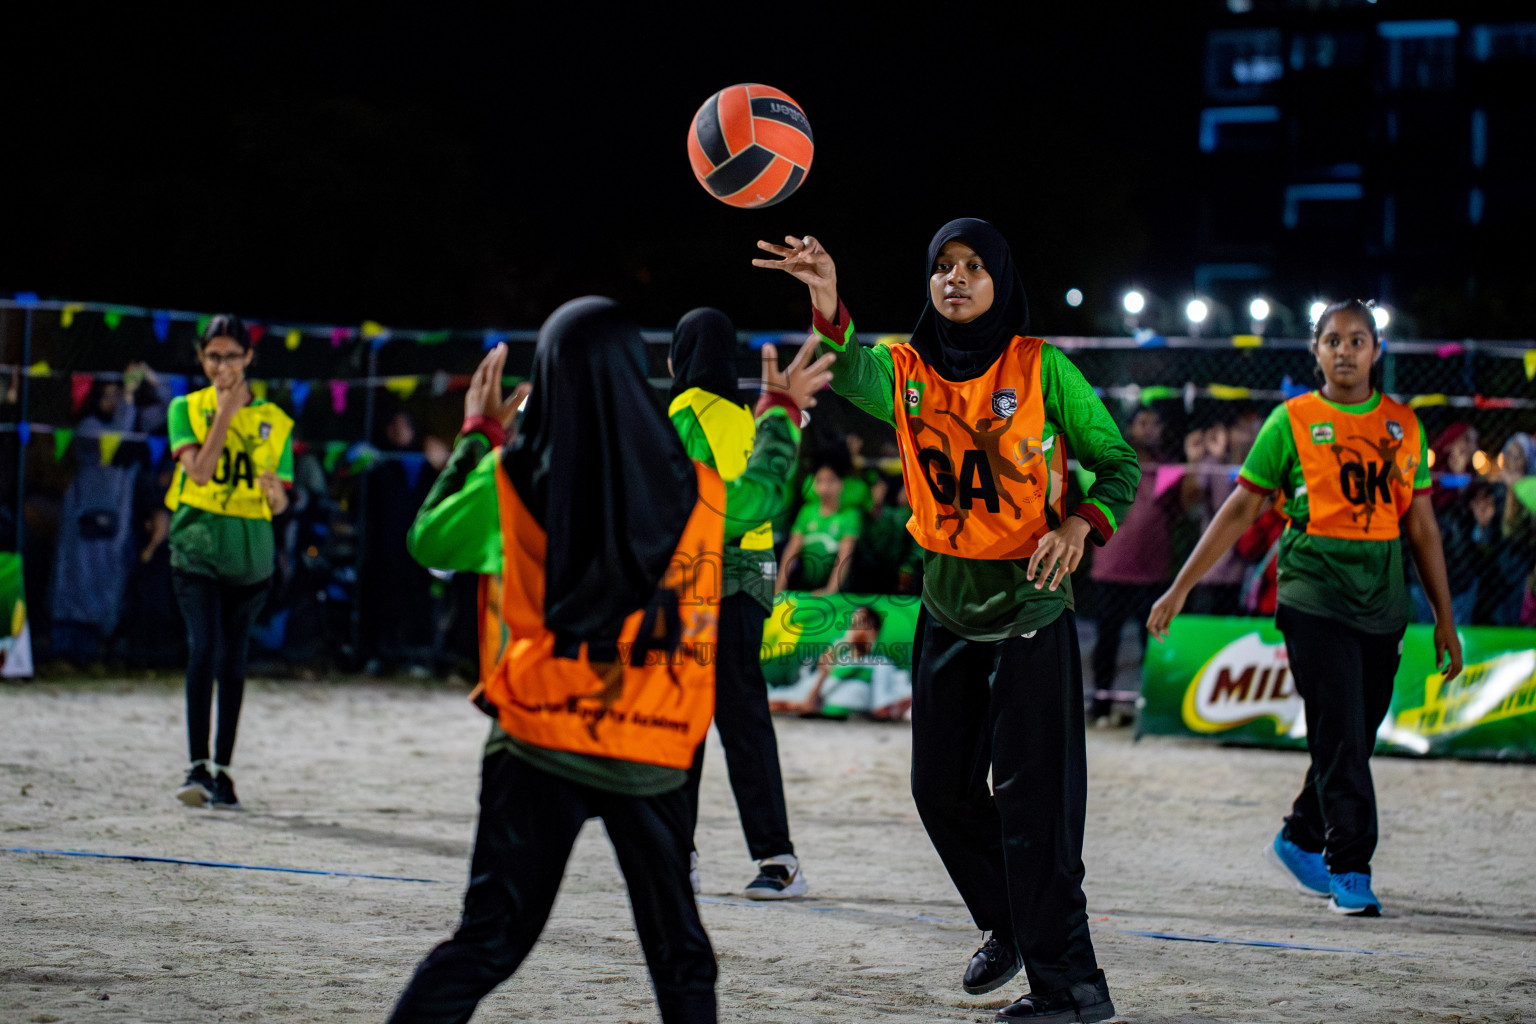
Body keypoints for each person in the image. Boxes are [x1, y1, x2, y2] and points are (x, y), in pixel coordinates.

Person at [388, 297, 828, 1024]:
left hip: (537, 739)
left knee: (486, 945)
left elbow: (429, 543)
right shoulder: (687, 487)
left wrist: (477, 433)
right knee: (681, 957)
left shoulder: (510, 477)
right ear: (640, 374)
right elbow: (760, 500)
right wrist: (778, 417)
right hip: (647, 740)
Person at [756, 220, 1136, 1023]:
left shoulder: (1043, 370)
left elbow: (1120, 464)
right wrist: (826, 294)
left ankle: (1073, 989)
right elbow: (848, 366)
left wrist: (1079, 526)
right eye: (941, 268)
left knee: (1036, 809)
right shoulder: (906, 371)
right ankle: (1009, 922)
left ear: (1000, 279)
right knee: (939, 792)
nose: (954, 280)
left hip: (1029, 605)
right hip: (946, 607)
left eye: (972, 267)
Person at [1148, 298, 1463, 918]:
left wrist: (1444, 618)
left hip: (1381, 599)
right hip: (1311, 592)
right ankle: (1350, 865)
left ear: (1377, 351)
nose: (1344, 350)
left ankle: (1298, 834)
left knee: (1356, 733)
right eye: (1332, 340)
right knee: (1341, 733)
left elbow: (1422, 528)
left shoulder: (1404, 425)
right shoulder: (1290, 422)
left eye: (1357, 339)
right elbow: (1240, 508)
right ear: (1315, 352)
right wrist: (1181, 585)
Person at [667, 306, 809, 899]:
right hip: (752, 577)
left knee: (682, 722)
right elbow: (767, 493)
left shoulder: (682, 410)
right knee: (744, 719)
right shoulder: (749, 417)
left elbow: (695, 501)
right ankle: (777, 858)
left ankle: (677, 857)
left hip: (702, 578)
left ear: (677, 359)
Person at [165, 315, 293, 809]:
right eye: (213, 356)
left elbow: (279, 500)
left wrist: (276, 496)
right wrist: (224, 412)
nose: (223, 366)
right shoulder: (186, 408)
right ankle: (196, 765)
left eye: (232, 356)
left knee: (234, 660)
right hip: (196, 549)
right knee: (203, 649)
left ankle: (224, 770)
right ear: (201, 360)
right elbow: (197, 474)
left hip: (250, 556)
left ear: (248, 358)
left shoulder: (275, 420)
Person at [1085, 405, 1178, 725]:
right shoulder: (1111, 460)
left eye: (1154, 423)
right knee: (1106, 639)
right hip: (1111, 565)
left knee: (1151, 640)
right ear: (1129, 427)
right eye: (1142, 422)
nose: (1148, 429)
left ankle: (1151, 706)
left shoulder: (1169, 467)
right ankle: (1101, 705)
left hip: (1152, 569)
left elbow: (1188, 508)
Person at [776, 456, 860, 596]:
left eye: (831, 481)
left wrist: (830, 590)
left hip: (838, 596)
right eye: (820, 481)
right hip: (805, 590)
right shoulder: (807, 512)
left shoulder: (849, 516)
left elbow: (845, 557)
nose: (825, 488)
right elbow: (791, 552)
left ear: (841, 484)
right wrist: (778, 589)